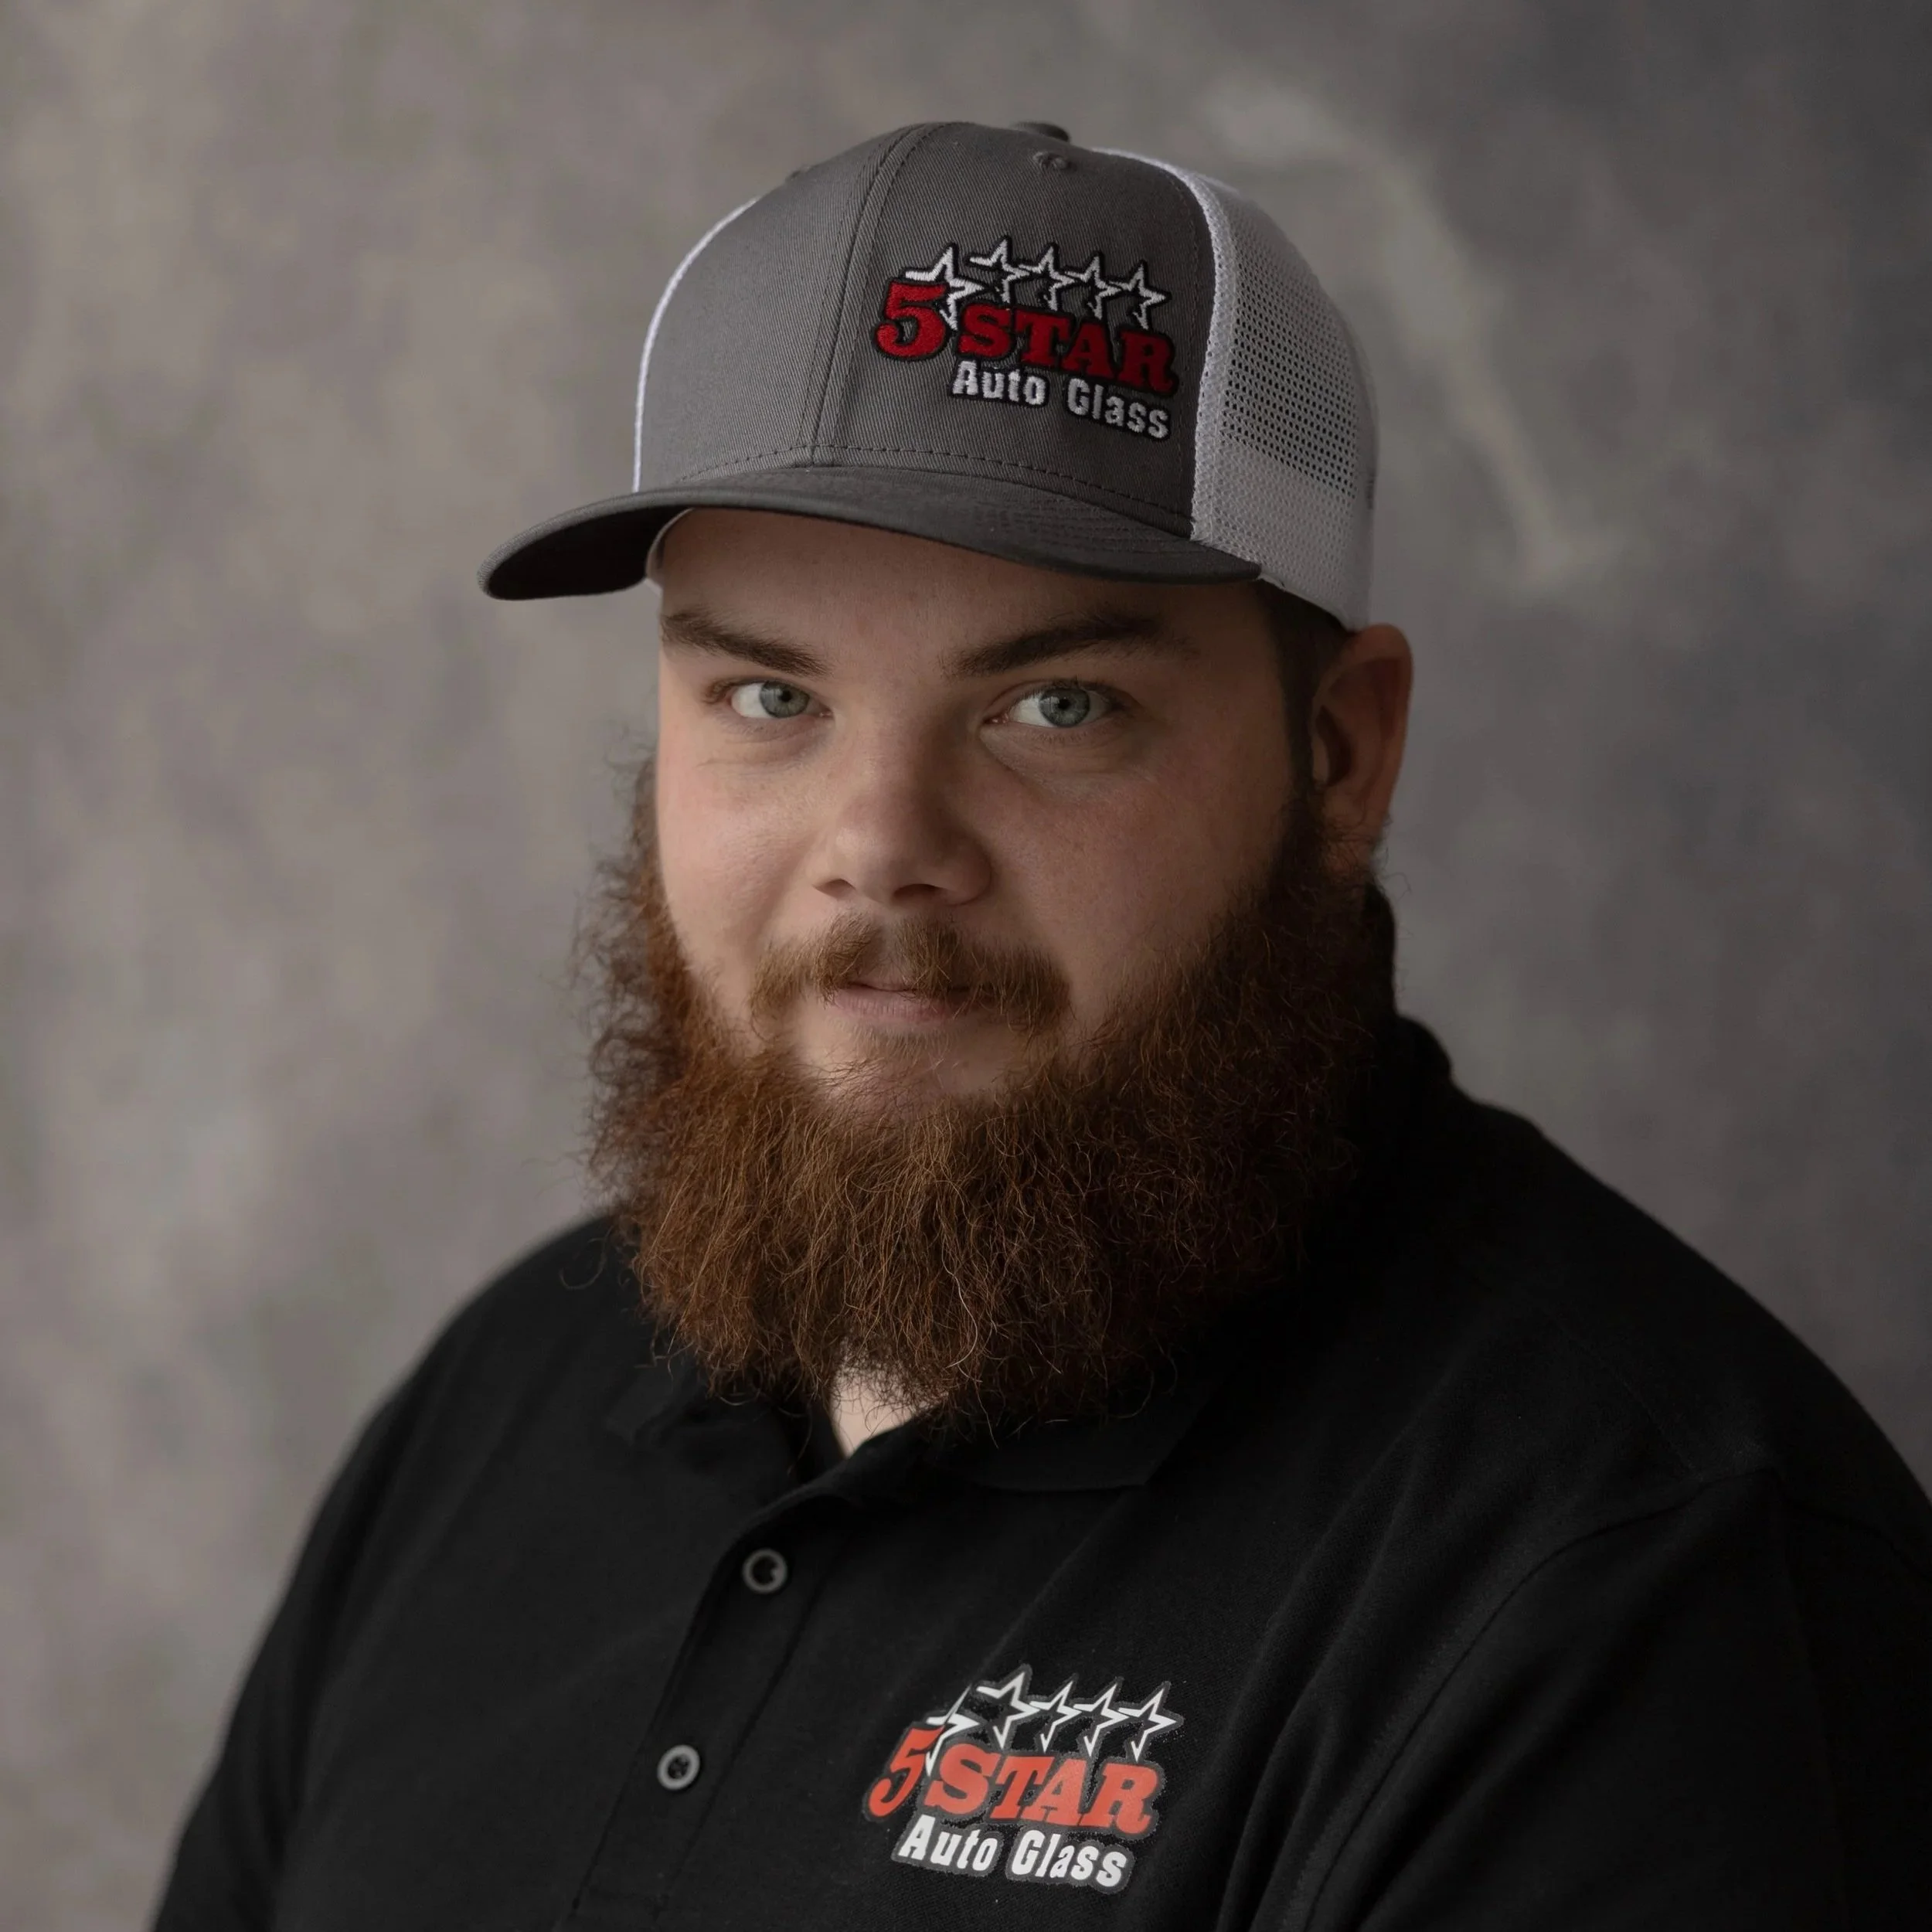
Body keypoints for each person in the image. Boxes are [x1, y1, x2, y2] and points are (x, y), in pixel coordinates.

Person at [154, 121, 1932, 1931]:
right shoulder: (499, 1408)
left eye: (1054, 704)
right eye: (770, 692)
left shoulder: (1635, 1586)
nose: (881, 850)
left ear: (1341, 754)